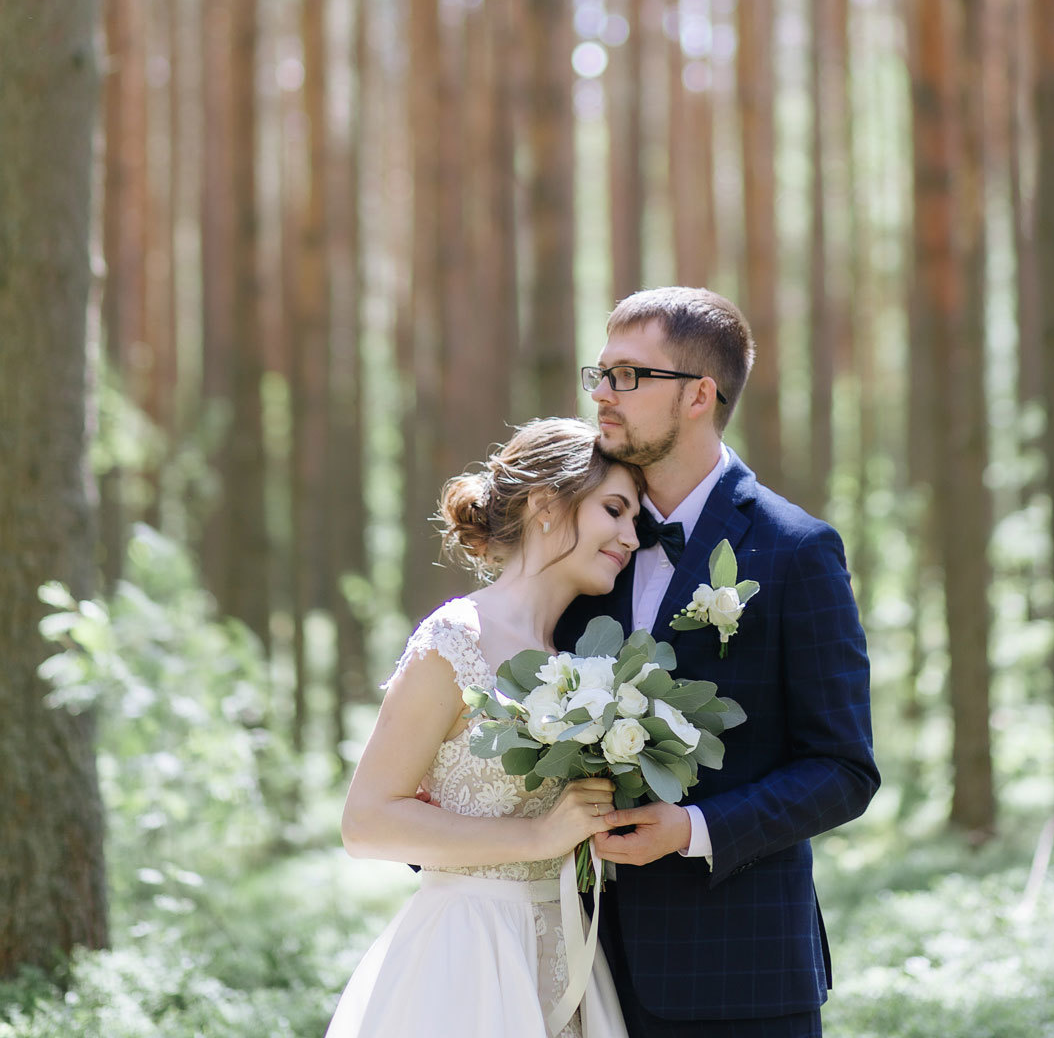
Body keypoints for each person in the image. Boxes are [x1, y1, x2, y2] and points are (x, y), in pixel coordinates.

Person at [558, 286, 879, 1038]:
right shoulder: (582, 536)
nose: (602, 395)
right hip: (577, 966)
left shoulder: (797, 551)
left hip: (740, 976)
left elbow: (843, 769)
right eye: (599, 373)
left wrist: (695, 827)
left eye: (629, 376)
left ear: (700, 394)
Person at [326, 417, 644, 1038]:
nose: (631, 537)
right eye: (615, 510)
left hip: (566, 953)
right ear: (547, 505)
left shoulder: (582, 663)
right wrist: (538, 837)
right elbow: (364, 822)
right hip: (466, 957)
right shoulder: (454, 641)